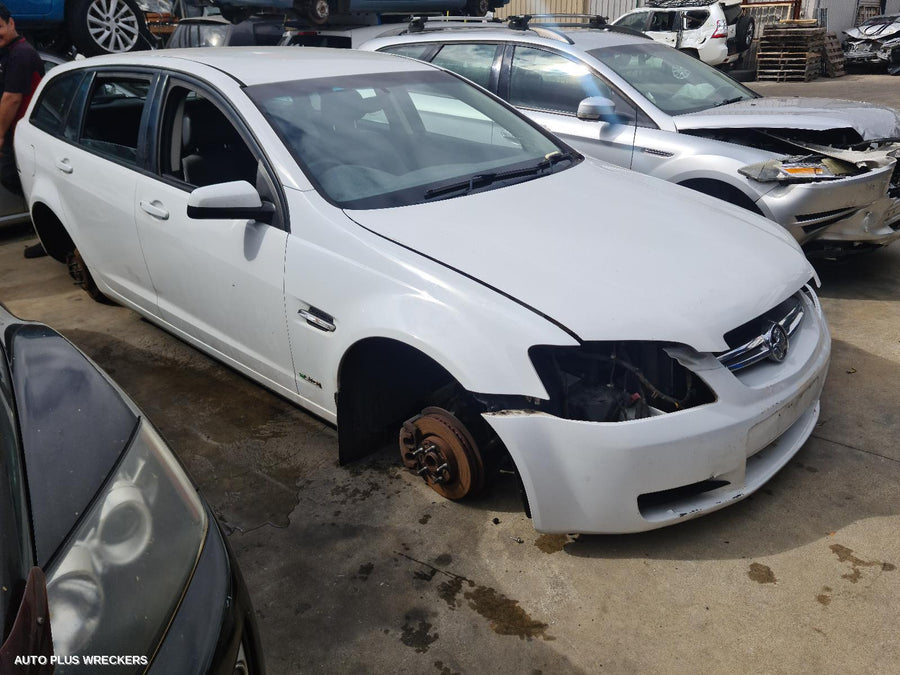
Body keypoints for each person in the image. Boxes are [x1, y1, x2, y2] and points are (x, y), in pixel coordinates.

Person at [0, 3, 44, 258]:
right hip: (17, 133)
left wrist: (1, 134)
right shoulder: (7, 53)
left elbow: (11, 99)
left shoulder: (21, 54)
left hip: (24, 133)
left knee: (20, 178)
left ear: (11, 23)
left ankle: (48, 233)